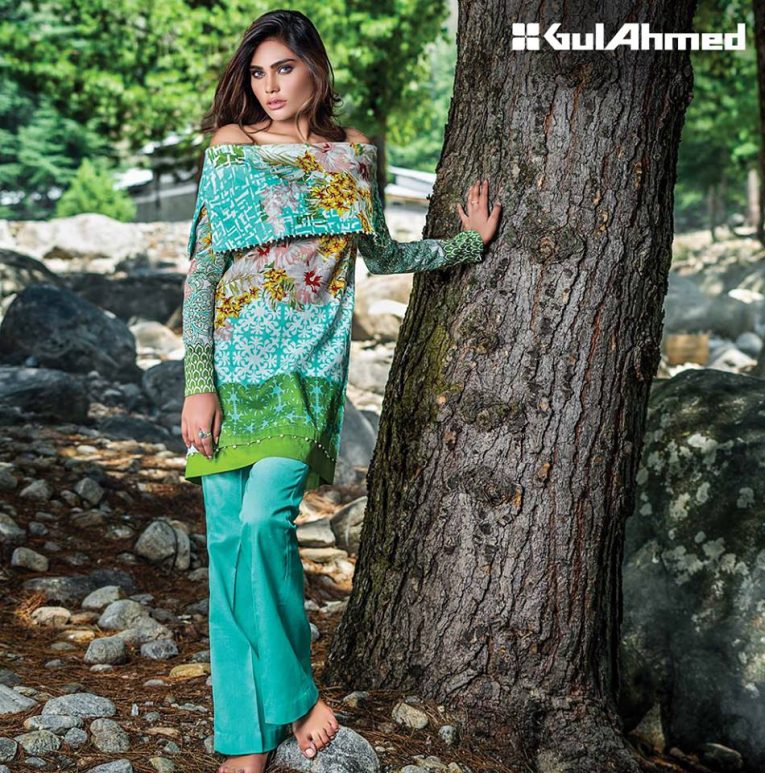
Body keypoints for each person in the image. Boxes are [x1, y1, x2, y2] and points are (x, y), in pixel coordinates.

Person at [179, 9, 502, 773]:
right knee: (228, 551)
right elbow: (203, 271)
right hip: (229, 375)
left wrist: (468, 244)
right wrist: (197, 385)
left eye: (283, 68)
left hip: (306, 375)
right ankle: (244, 745)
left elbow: (380, 253)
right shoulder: (232, 146)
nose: (269, 86)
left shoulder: (351, 154)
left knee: (262, 521)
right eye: (257, 73)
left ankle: (295, 697)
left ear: (314, 70)